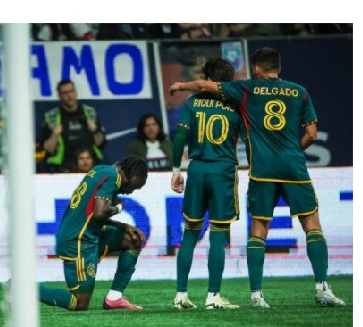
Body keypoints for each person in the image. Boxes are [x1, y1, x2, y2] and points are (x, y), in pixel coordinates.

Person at [169, 47, 346, 308]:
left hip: (247, 170)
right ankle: (321, 288)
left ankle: (254, 295)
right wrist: (292, 152)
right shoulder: (299, 91)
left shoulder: (244, 91)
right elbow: (311, 135)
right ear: (279, 67)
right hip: (284, 168)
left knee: (253, 230)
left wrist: (181, 85)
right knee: (311, 225)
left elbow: (199, 97)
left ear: (257, 69)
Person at [169, 58, 243, 310]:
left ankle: (181, 295)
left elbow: (180, 136)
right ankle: (213, 297)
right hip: (223, 170)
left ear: (207, 78)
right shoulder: (237, 105)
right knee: (218, 235)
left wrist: (176, 170)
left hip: (197, 169)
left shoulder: (192, 103)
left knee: (190, 232)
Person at [39, 155, 149, 311]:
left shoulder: (101, 169)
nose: (131, 191)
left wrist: (123, 226)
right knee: (80, 303)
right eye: (135, 185)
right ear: (132, 173)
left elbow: (92, 213)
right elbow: (100, 212)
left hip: (89, 233)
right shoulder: (114, 178)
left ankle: (114, 298)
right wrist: (119, 208)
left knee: (133, 239)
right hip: (77, 241)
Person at [39, 79, 106, 173]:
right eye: (65, 93)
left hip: (90, 170)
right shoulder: (52, 118)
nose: (69, 96)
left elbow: (100, 144)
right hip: (62, 171)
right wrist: (55, 134)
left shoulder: (90, 113)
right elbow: (48, 150)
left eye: (71, 91)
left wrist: (95, 130)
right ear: (59, 96)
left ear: (76, 92)